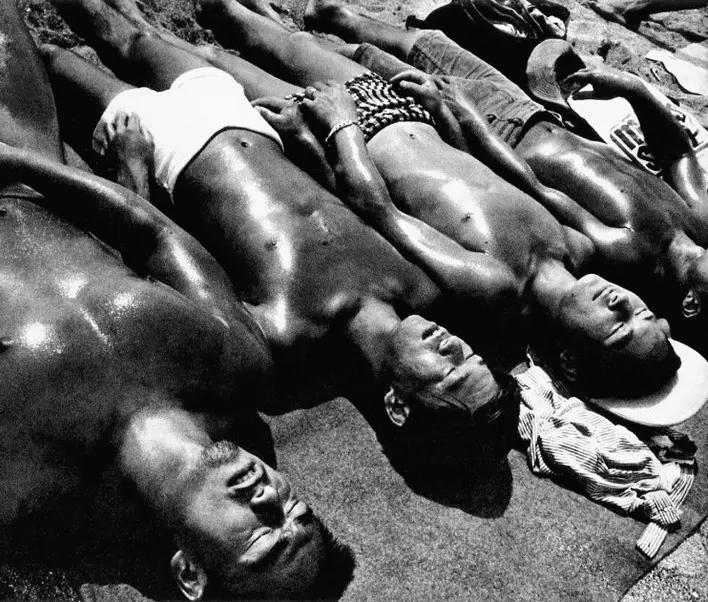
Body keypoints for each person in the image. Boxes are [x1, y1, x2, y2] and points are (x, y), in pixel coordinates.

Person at [0, 0, 356, 599]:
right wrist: (16, 163)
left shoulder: (19, 491)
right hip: (30, 166)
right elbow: (154, 235)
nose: (270, 500)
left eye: (262, 538)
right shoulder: (236, 368)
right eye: (296, 511)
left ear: (189, 572)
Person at [26, 0, 526, 466]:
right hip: (252, 125)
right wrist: (309, 139)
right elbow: (365, 202)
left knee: (46, 59)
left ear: (398, 406)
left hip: (167, 153)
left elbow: (160, 261)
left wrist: (131, 167)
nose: (453, 346)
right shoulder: (423, 286)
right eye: (471, 354)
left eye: (449, 372)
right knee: (133, 35)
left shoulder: (286, 346)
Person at [172, 0, 681, 400]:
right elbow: (519, 178)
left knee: (216, 57)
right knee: (272, 36)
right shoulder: (579, 251)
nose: (624, 304)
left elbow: (382, 215)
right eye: (641, 314)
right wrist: (457, 115)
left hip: (355, 135)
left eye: (617, 329)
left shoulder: (497, 289)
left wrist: (338, 125)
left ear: (569, 360)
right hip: (408, 117)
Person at [300, 0, 708, 355]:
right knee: (437, 49)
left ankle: (311, 38)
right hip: (543, 118)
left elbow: (538, 189)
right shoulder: (699, 221)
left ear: (692, 303)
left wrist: (469, 120)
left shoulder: (630, 255)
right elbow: (678, 153)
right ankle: (335, 20)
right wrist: (635, 89)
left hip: (504, 138)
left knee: (395, 68)